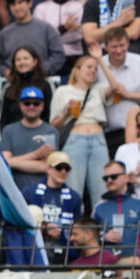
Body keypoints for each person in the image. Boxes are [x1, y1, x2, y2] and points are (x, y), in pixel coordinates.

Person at [50, 46, 119, 208]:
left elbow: (115, 86)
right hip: (75, 140)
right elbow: (53, 125)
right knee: (73, 190)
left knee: (102, 190)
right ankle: (72, 230)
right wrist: (66, 113)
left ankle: (103, 231)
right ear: (77, 70)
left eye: (95, 69)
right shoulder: (63, 91)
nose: (93, 71)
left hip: (98, 139)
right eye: (89, 67)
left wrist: (100, 60)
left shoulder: (98, 89)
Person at [99, 27, 140, 156]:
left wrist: (128, 95)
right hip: (109, 133)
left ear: (128, 43)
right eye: (114, 47)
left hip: (139, 131)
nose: (119, 50)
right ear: (105, 47)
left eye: (122, 45)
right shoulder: (98, 66)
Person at [23, 151, 84, 263]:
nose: (63, 172)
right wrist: (45, 229)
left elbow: (78, 227)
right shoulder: (29, 192)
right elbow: (22, 222)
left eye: (67, 168)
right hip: (34, 249)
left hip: (63, 252)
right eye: (59, 167)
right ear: (48, 169)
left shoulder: (75, 197)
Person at [2, 86, 59, 190]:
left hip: (42, 190)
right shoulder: (8, 130)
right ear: (20, 105)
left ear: (42, 105)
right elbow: (4, 163)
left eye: (36, 103)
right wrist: (36, 154)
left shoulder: (51, 132)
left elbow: (48, 167)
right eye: (27, 103)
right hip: (14, 190)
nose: (31, 107)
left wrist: (13, 161)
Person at [93, 160, 140, 256]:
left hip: (135, 265)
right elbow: (90, 236)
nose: (109, 180)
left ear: (126, 177)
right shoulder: (99, 206)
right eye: (105, 178)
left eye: (113, 177)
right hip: (107, 265)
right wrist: (104, 237)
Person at [0, 0, 65, 76]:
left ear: (30, 3)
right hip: (13, 82)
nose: (17, 8)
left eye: (20, 3)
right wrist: (6, 72)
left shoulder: (46, 28)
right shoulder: (4, 34)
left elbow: (58, 55)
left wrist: (41, 70)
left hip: (41, 80)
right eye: (13, 4)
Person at [0, 46, 53, 134]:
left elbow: (50, 114)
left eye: (26, 58)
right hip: (14, 138)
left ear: (35, 62)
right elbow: (3, 118)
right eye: (18, 60)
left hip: (40, 136)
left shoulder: (45, 85)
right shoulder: (9, 87)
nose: (22, 62)